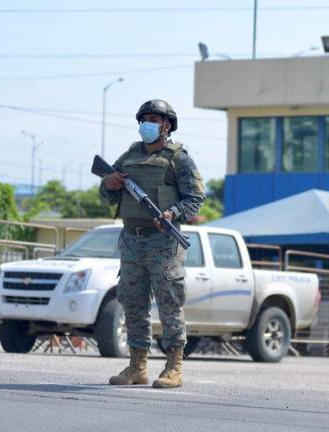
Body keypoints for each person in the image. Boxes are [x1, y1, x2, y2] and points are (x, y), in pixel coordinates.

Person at [99, 99, 205, 388]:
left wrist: (172, 213)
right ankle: (137, 366)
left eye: (154, 120)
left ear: (167, 125)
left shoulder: (179, 158)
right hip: (131, 240)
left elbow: (196, 198)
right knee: (133, 304)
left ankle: (174, 368)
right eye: (144, 119)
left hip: (163, 243)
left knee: (170, 304)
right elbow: (108, 195)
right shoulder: (129, 156)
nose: (148, 124)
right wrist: (108, 183)